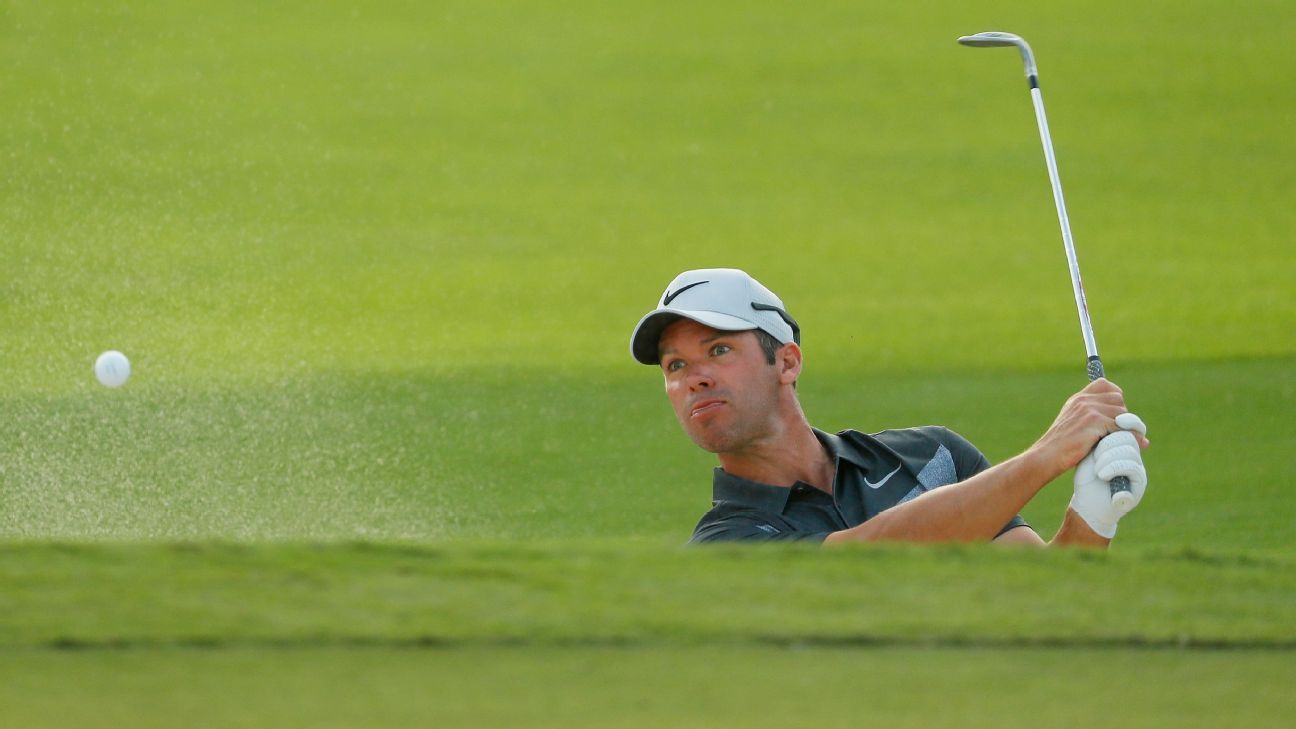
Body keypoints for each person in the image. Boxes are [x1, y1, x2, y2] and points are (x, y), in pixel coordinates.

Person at [629, 268, 1149, 547]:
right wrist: (1046, 456)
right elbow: (866, 556)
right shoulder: (725, 544)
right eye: (675, 366)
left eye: (719, 350)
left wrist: (1092, 516)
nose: (694, 378)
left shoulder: (934, 456)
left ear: (786, 362)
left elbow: (1042, 599)